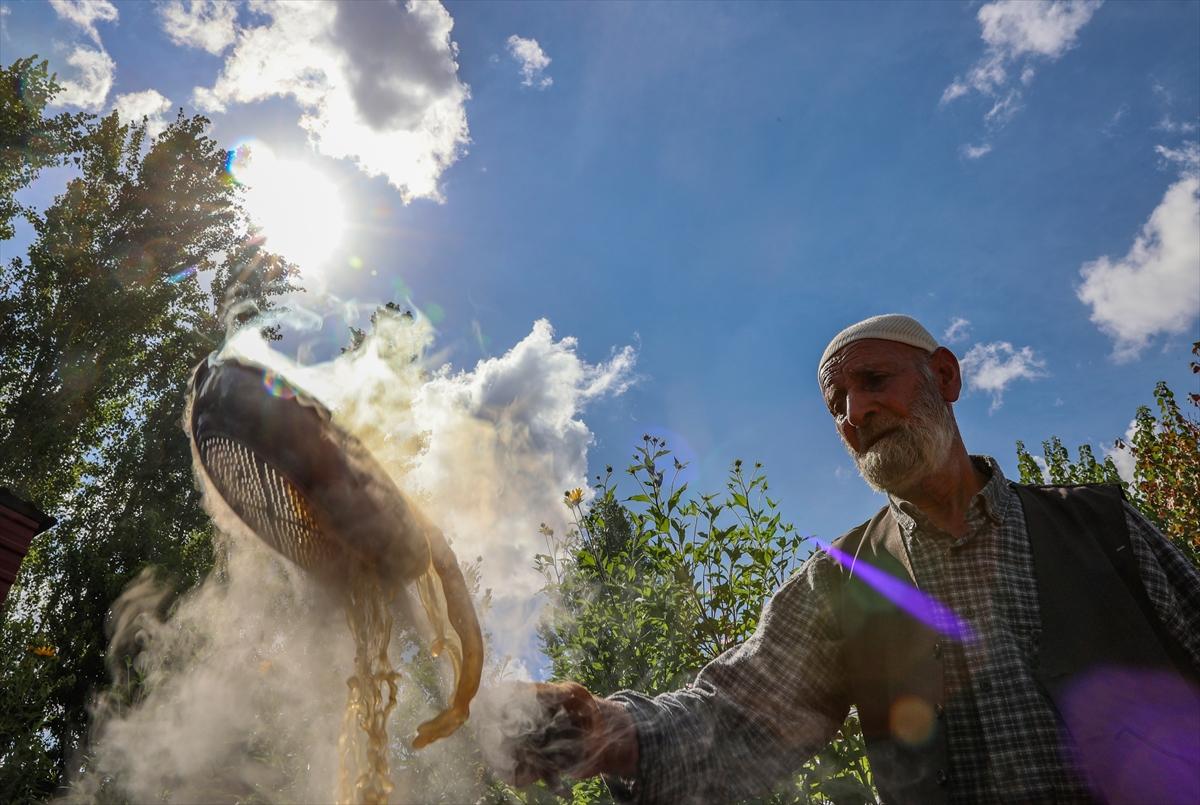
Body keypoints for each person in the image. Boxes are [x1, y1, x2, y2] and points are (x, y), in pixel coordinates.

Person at [493, 314, 1200, 804]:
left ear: (945, 376)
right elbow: (736, 714)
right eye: (838, 401)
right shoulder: (841, 583)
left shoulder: (1098, 522)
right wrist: (607, 729)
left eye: (874, 381)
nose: (855, 411)